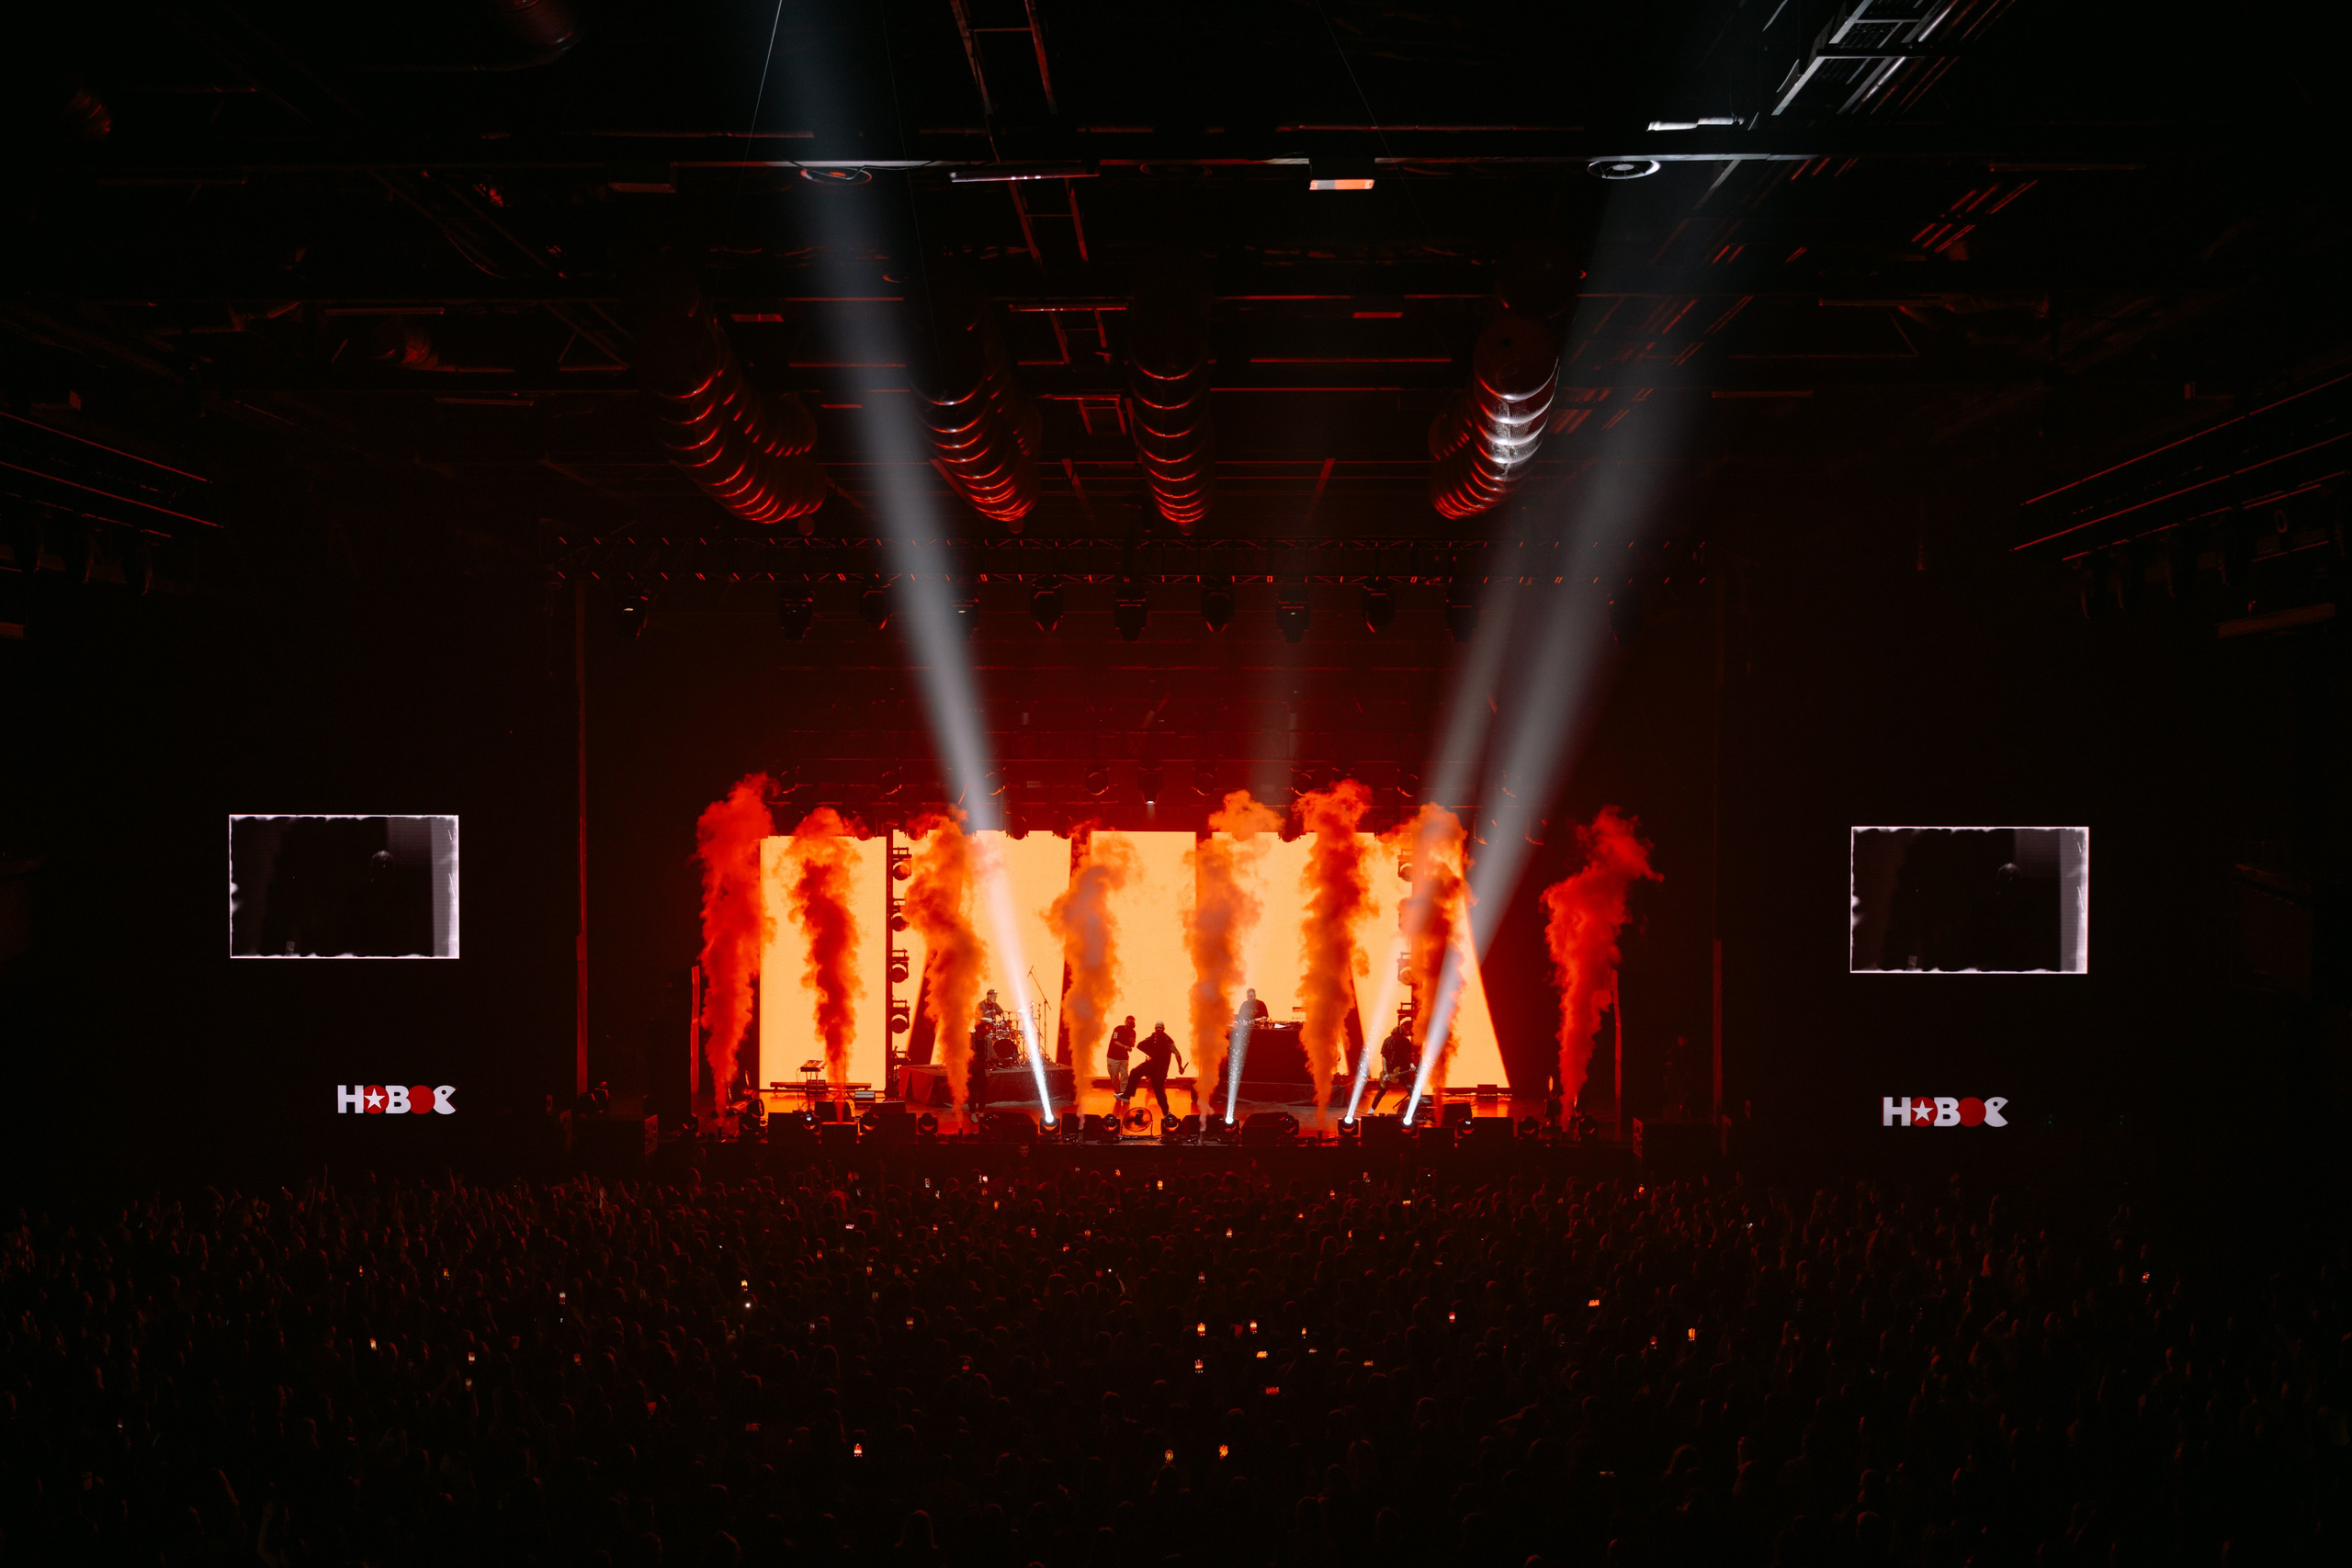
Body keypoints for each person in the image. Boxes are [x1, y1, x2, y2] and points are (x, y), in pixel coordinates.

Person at [1123, 1021, 1184, 1120]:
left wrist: (1180, 1067)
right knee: (1135, 1072)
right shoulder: (1152, 1038)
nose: (1158, 1029)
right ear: (1155, 1029)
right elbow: (1141, 1045)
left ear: (1163, 1029)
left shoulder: (1167, 1040)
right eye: (1157, 1027)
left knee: (1159, 1092)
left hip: (1160, 1069)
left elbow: (1177, 1053)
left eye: (1160, 1027)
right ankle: (1128, 1094)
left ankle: (1166, 1113)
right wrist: (1150, 1052)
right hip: (1151, 1065)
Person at [1105, 1015, 1136, 1095]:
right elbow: (1115, 1042)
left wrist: (1131, 1042)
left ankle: (1123, 1092)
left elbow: (1132, 1045)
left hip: (1124, 1057)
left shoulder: (1133, 1032)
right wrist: (1125, 1047)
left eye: (1132, 1023)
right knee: (1114, 1075)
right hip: (1113, 1056)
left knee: (1124, 1075)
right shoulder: (1118, 1029)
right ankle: (1117, 1091)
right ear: (1125, 1022)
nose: (1130, 1024)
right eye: (1129, 1023)